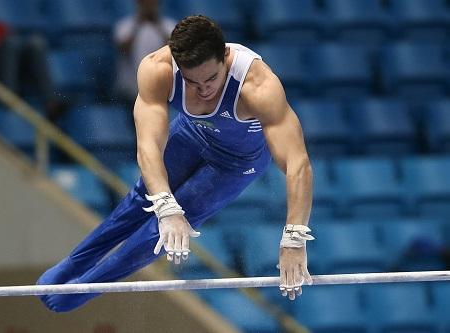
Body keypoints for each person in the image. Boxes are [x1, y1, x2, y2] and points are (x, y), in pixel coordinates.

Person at [37, 15, 314, 312]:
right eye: (193, 82)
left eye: (211, 79)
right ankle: (68, 268)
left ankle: (82, 290)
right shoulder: (158, 69)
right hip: (192, 134)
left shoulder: (258, 85)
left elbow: (297, 164)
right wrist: (165, 205)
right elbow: (148, 146)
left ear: (225, 57)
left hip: (237, 163)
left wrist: (294, 238)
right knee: (143, 200)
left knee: (164, 231)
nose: (204, 89)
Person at [113, 0, 175, 107]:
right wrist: (138, 24)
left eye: (152, 3)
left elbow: (174, 51)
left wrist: (158, 25)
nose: (149, 6)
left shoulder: (169, 26)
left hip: (161, 88)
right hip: (131, 89)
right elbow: (123, 50)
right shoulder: (125, 26)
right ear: (138, 4)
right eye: (145, 3)